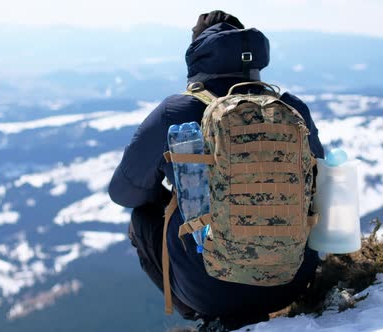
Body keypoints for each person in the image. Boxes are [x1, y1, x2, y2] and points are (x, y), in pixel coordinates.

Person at [109, 10, 325, 331]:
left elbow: (125, 192)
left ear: (198, 53)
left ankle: (208, 319)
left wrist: (179, 189)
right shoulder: (292, 109)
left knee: (142, 217)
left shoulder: (177, 111)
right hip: (292, 280)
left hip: (210, 291)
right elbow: (319, 188)